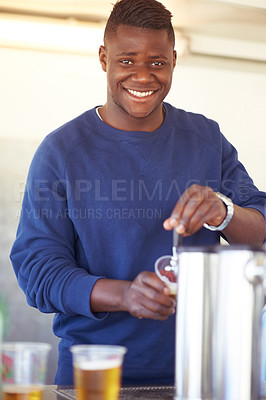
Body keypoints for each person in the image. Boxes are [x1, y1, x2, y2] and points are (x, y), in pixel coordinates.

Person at [10, 0, 266, 386]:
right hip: (97, 375)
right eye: (127, 61)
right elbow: (38, 271)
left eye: (157, 62)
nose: (143, 76)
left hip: (202, 371)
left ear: (174, 61)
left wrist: (224, 211)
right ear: (103, 58)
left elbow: (261, 227)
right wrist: (125, 295)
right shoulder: (61, 151)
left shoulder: (206, 140)